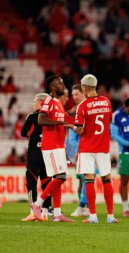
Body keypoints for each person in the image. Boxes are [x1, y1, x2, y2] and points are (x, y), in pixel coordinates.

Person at [71, 74, 118, 224]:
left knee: (89, 180)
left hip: (87, 147)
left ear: (84, 88)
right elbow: (108, 120)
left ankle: (93, 216)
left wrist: (72, 126)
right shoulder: (106, 102)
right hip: (103, 146)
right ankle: (110, 216)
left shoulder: (82, 106)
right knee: (106, 179)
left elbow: (79, 130)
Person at [30, 75, 74, 222]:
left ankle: (57, 214)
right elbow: (41, 119)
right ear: (52, 87)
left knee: (57, 178)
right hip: (51, 145)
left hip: (59, 146)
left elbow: (66, 120)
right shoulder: (48, 101)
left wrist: (72, 124)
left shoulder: (59, 103)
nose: (62, 85)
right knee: (61, 177)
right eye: (59, 83)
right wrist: (59, 123)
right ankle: (38, 203)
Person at [21, 93, 52, 221]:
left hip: (34, 155)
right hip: (48, 154)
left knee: (31, 183)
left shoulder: (32, 117)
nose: (33, 104)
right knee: (47, 183)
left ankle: (33, 212)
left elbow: (23, 132)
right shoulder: (52, 117)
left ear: (40, 103)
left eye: (34, 102)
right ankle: (45, 212)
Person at [67, 84, 89, 218]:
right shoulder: (74, 111)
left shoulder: (87, 109)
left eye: (76, 94)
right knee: (82, 180)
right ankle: (84, 206)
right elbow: (72, 137)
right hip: (79, 151)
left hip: (90, 149)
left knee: (86, 178)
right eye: (73, 95)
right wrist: (78, 148)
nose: (74, 97)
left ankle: (83, 206)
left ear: (83, 93)